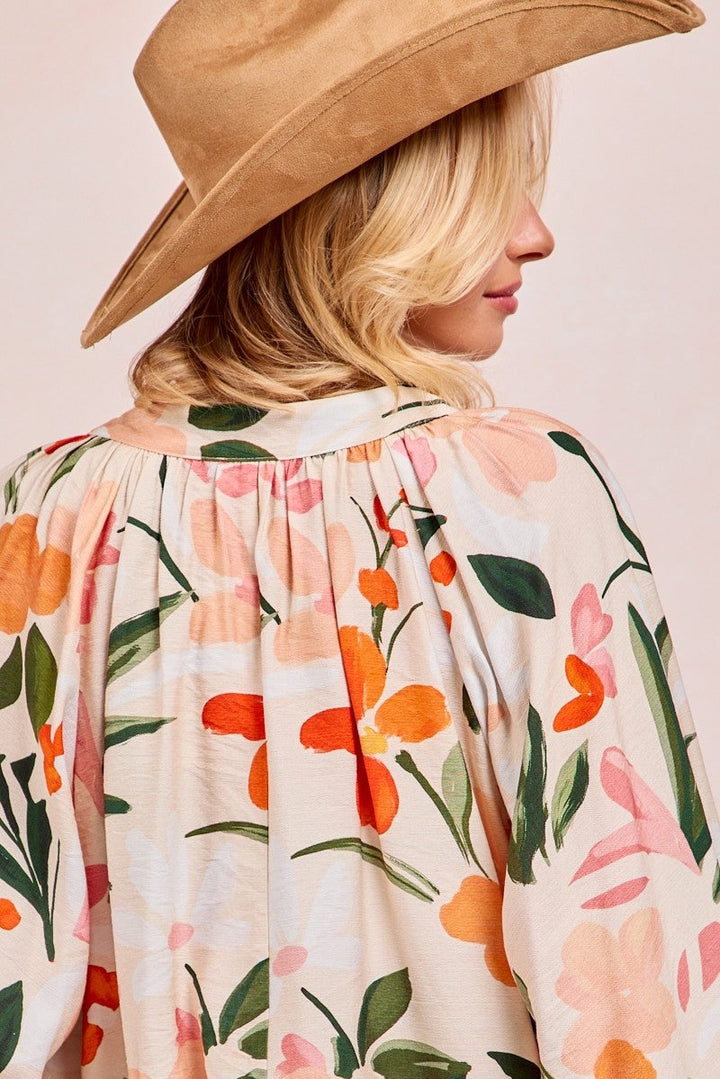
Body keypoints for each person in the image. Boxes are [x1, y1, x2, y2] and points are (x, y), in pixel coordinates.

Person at [0, 2, 716, 1077]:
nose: (536, 233)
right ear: (374, 214)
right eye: (485, 191)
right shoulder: (514, 491)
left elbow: (22, 956)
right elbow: (626, 951)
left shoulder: (59, 509)